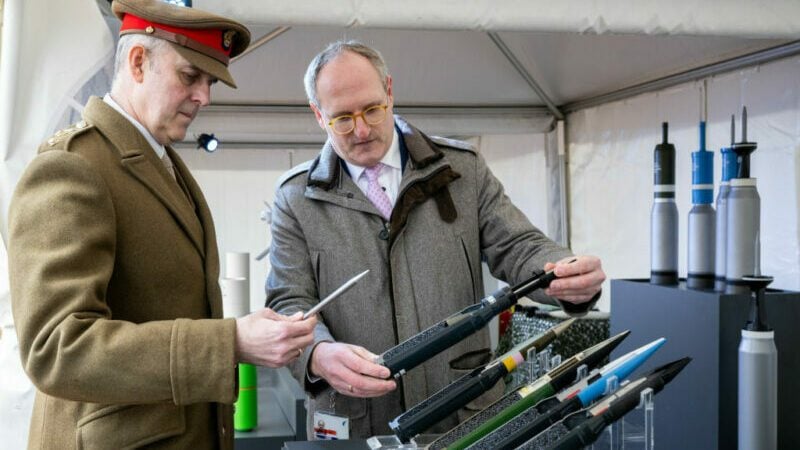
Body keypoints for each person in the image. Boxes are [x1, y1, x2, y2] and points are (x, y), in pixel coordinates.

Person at [7, 1, 316, 449]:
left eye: (209, 82)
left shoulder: (159, 163)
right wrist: (229, 343)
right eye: (190, 76)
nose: (204, 97)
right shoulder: (73, 167)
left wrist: (243, 333)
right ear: (138, 62)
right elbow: (58, 348)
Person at [266, 40, 606, 439]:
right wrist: (319, 355)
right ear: (317, 115)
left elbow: (520, 248)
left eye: (372, 109)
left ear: (390, 92)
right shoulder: (294, 198)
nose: (361, 130)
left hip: (462, 415)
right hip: (353, 423)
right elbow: (290, 302)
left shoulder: (462, 170)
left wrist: (566, 275)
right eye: (342, 118)